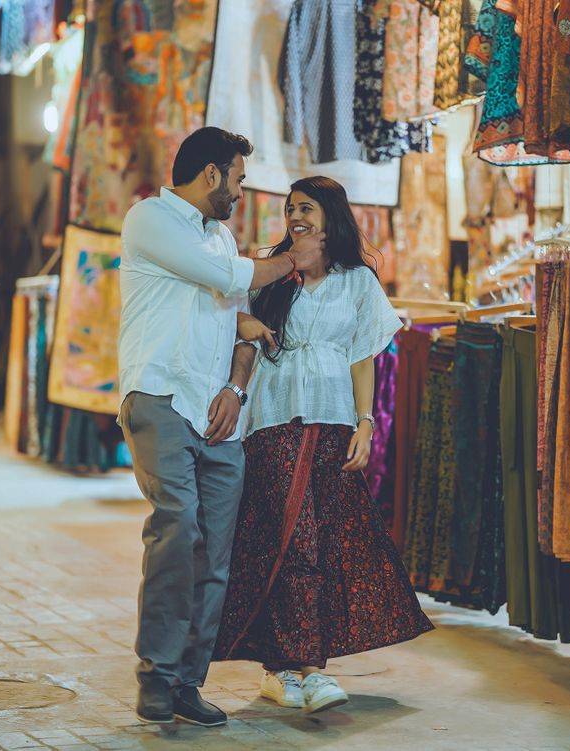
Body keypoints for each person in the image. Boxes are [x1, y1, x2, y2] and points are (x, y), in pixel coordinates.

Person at [117, 127, 326, 727]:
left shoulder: (220, 237)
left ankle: (188, 681)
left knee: (216, 556)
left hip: (218, 415)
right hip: (160, 396)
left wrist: (237, 387)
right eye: (236, 178)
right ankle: (155, 676)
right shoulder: (150, 220)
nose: (239, 191)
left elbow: (239, 318)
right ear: (211, 174)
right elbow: (235, 282)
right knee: (177, 529)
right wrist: (292, 260)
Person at [213, 176, 434, 713]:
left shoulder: (357, 282)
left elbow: (364, 356)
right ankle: (310, 670)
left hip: (332, 423)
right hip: (272, 423)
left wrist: (366, 422)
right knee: (293, 539)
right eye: (291, 210)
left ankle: (282, 669)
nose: (296, 217)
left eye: (306, 208)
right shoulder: (271, 278)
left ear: (330, 217)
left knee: (316, 543)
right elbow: (233, 329)